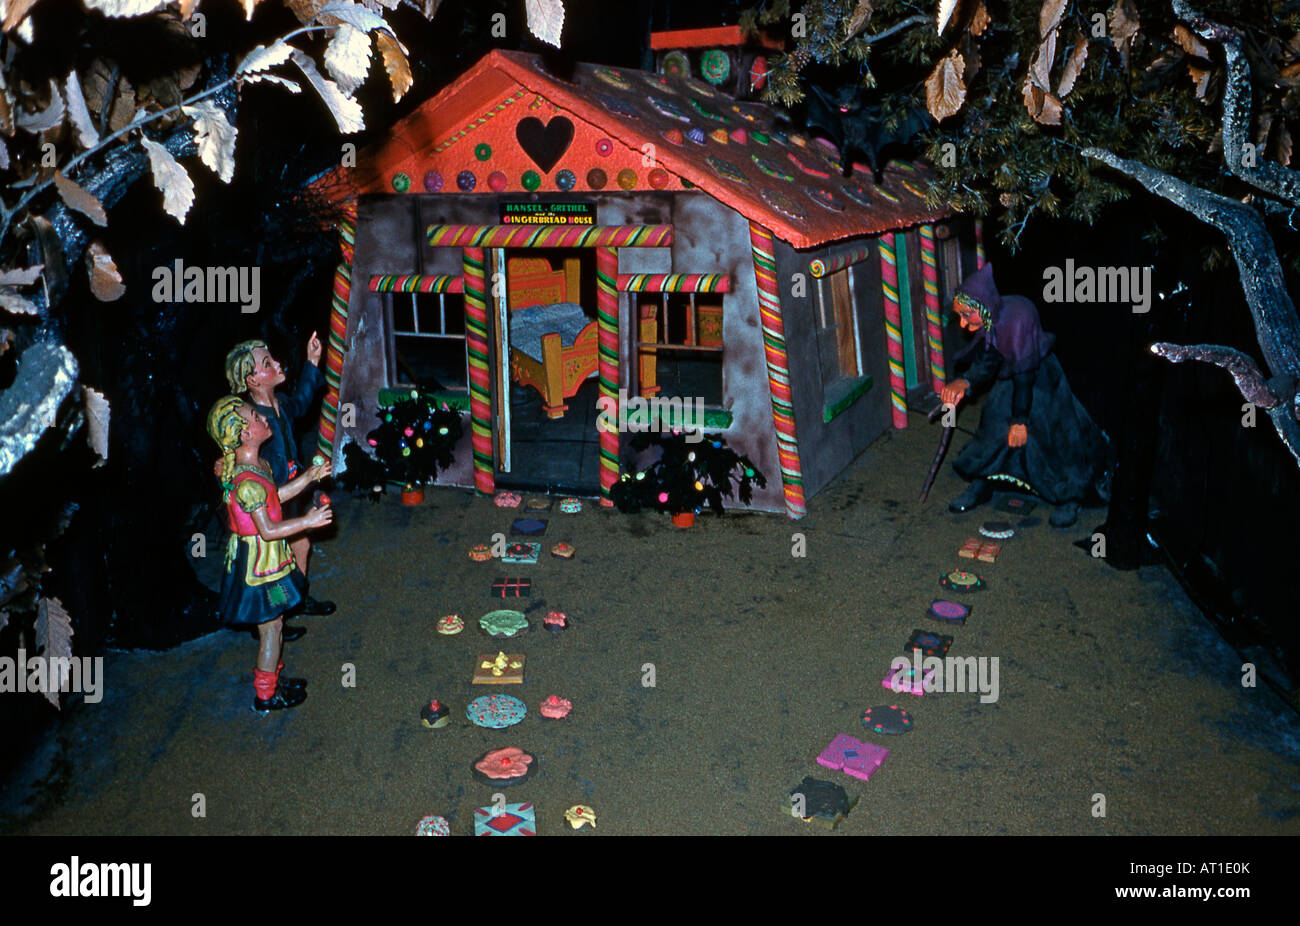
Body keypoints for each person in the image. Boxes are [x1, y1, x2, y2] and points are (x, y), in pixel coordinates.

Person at [939, 263, 1109, 528]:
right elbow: (989, 358)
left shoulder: (1018, 319)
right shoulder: (989, 319)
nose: (963, 323)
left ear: (982, 307)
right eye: (959, 316)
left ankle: (1069, 496)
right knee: (994, 423)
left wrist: (1020, 420)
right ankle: (985, 481)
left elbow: (1025, 376)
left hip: (1040, 380)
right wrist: (966, 381)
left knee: (1055, 438)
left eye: (966, 315)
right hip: (1013, 377)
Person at [208, 395, 333, 713]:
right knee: (270, 628)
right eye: (255, 417)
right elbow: (268, 529)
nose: (263, 418)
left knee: (275, 624)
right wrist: (307, 521)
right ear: (245, 434)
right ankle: (265, 695)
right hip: (257, 562)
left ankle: (273, 682)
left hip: (266, 557)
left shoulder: (256, 466)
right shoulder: (246, 483)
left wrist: (307, 478)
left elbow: (274, 498)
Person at [223, 333, 336, 618]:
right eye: (267, 363)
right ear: (253, 380)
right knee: (273, 559)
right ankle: (274, 614)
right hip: (271, 495)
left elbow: (301, 403)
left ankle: (296, 599)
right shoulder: (252, 421)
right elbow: (234, 450)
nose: (277, 363)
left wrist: (312, 362)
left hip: (292, 486)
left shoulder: (281, 403)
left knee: (301, 542)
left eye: (272, 358)